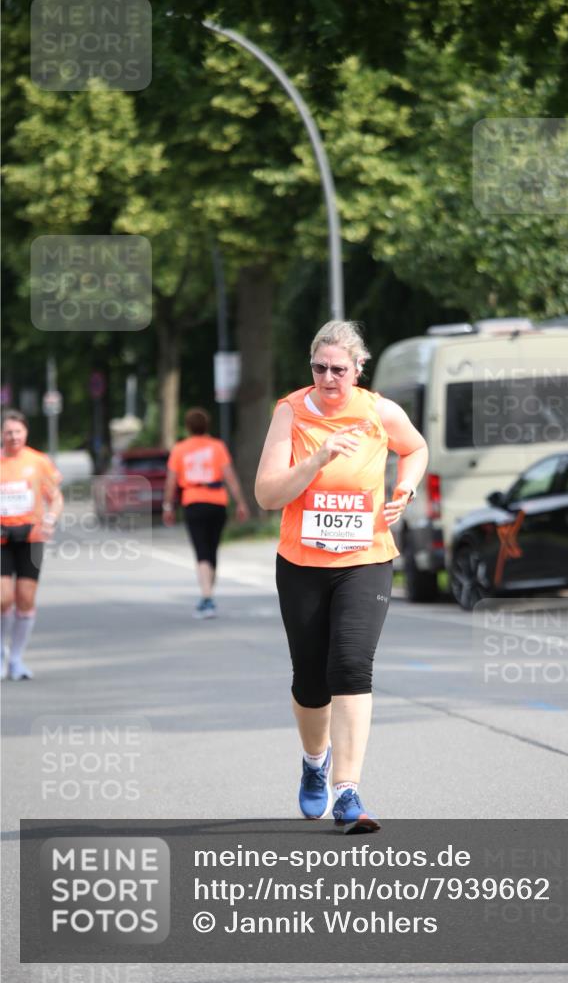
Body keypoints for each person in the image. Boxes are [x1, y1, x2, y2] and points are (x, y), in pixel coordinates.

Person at [255, 321, 428, 832]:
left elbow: (415, 449)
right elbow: (268, 495)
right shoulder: (290, 412)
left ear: (358, 369)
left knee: (351, 667)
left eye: (339, 369)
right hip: (303, 563)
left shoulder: (379, 411)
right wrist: (318, 457)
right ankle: (315, 763)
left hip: (366, 559)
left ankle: (349, 791)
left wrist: (406, 489)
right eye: (319, 368)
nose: (329, 377)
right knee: (310, 680)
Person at [162, 408, 250, 619]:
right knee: (212, 549)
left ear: (188, 427)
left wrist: (167, 506)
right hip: (217, 501)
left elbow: (171, 481)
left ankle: (207, 597)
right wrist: (241, 503)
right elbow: (230, 476)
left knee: (201, 549)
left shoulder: (180, 449)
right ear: (207, 426)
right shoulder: (217, 447)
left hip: (193, 501)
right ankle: (208, 594)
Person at [1, 409, 63, 680]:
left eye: (18, 431)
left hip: (31, 538)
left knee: (25, 599)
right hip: (2, 537)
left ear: (25, 433)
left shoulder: (38, 462)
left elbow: (56, 497)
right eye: (8, 432)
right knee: (3, 598)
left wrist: (50, 519)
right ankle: (1, 656)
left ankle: (17, 660)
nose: (13, 436)